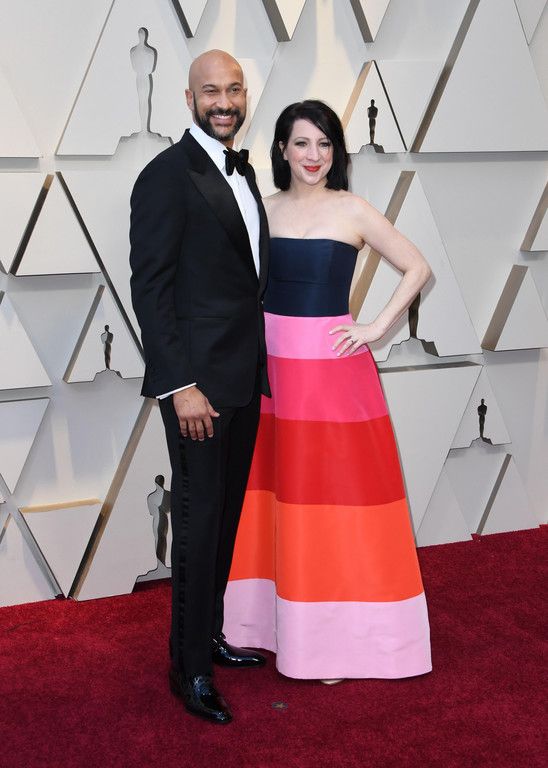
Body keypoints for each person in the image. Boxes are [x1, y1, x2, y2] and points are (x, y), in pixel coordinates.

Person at [224, 100, 433, 681]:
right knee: (273, 497)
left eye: (324, 144)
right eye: (301, 143)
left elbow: (417, 267)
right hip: (271, 374)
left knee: (334, 501)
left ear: (335, 152)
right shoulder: (261, 209)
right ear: (282, 150)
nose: (313, 155)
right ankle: (263, 628)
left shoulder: (353, 210)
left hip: (331, 377)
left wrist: (374, 329)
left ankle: (335, 642)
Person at [129, 50, 270, 724]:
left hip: (241, 377)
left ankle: (208, 637)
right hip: (197, 390)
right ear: (188, 98)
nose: (225, 102)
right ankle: (187, 669)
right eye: (211, 91)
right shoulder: (165, 175)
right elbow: (150, 289)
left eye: (234, 90)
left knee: (224, 518)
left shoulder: (244, 171)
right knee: (196, 522)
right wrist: (178, 384)